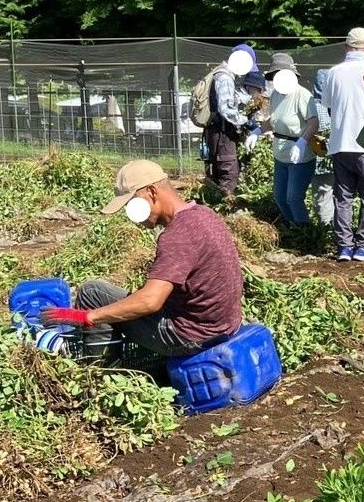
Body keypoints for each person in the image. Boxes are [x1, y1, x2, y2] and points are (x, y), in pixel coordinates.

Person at [42, 160, 243, 356]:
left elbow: (150, 301)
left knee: (91, 293)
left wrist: (88, 316)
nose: (133, 218)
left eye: (132, 205)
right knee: (120, 299)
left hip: (190, 337)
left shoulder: (177, 235)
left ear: (152, 192)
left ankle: (99, 366)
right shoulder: (204, 214)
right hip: (224, 326)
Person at [321, 28, 364, 262]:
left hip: (340, 143)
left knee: (343, 196)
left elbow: (328, 108)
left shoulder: (333, 73)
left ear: (346, 47)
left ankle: (344, 247)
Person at [262, 53, 319, 228]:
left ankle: (304, 231)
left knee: (293, 197)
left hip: (299, 156)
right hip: (281, 154)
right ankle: (291, 227)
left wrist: (302, 142)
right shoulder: (276, 95)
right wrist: (258, 130)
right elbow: (272, 121)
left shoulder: (302, 95)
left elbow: (313, 123)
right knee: (280, 197)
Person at [205, 43, 261, 196]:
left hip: (218, 131)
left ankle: (214, 205)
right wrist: (246, 121)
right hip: (222, 132)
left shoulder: (221, 74)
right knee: (228, 173)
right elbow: (226, 109)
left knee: (220, 172)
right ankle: (223, 210)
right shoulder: (225, 78)